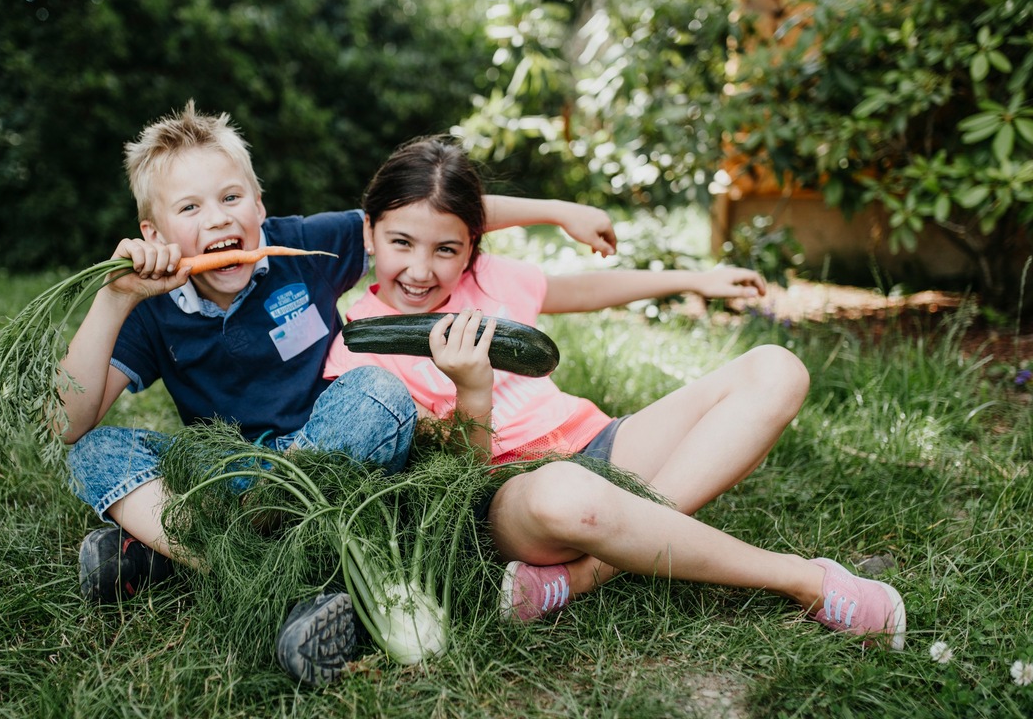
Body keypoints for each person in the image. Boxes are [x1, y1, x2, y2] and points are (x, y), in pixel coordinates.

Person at [55, 103, 619, 686]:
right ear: (155, 233)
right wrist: (115, 298)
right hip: (230, 479)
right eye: (189, 207)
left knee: (378, 392)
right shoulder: (148, 308)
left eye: (231, 198)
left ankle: (184, 556)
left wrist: (559, 212)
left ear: (259, 206)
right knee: (92, 451)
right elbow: (69, 422)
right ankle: (260, 568)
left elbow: (433, 215)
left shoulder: (305, 246)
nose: (218, 219)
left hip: (335, 454)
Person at [324, 136, 907, 650]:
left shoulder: (485, 278)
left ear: (471, 248)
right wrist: (473, 392)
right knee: (564, 495)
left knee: (777, 368)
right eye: (401, 243)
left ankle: (581, 577)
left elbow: (585, 287)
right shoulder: (360, 345)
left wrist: (694, 280)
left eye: (445, 250)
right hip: (511, 496)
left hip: (599, 443)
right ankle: (801, 578)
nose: (421, 269)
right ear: (368, 232)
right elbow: (452, 484)